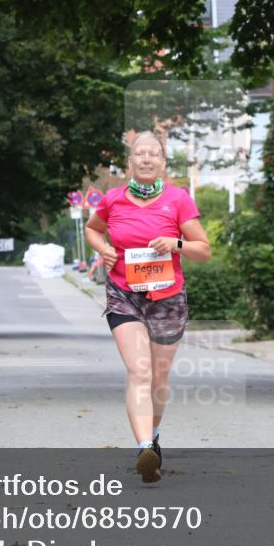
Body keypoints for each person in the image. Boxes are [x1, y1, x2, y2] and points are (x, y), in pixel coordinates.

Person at [85, 131, 211, 483]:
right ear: (130, 162)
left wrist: (176, 243)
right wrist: (103, 249)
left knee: (158, 378)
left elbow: (203, 249)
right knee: (139, 371)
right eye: (139, 153)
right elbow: (93, 229)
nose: (145, 159)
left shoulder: (178, 200)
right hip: (124, 295)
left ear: (162, 162)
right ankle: (143, 447)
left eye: (152, 154)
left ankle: (153, 439)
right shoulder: (113, 199)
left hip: (167, 299)